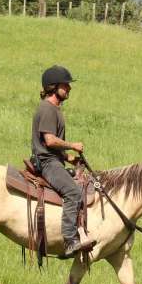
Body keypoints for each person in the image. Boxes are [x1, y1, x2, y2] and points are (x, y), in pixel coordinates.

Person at [31, 65, 95, 257]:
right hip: (48, 164)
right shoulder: (49, 110)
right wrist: (72, 145)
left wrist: (68, 158)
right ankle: (69, 241)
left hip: (54, 160)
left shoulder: (55, 109)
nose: (69, 88)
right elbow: (49, 141)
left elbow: (48, 144)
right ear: (53, 86)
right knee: (73, 192)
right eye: (65, 85)